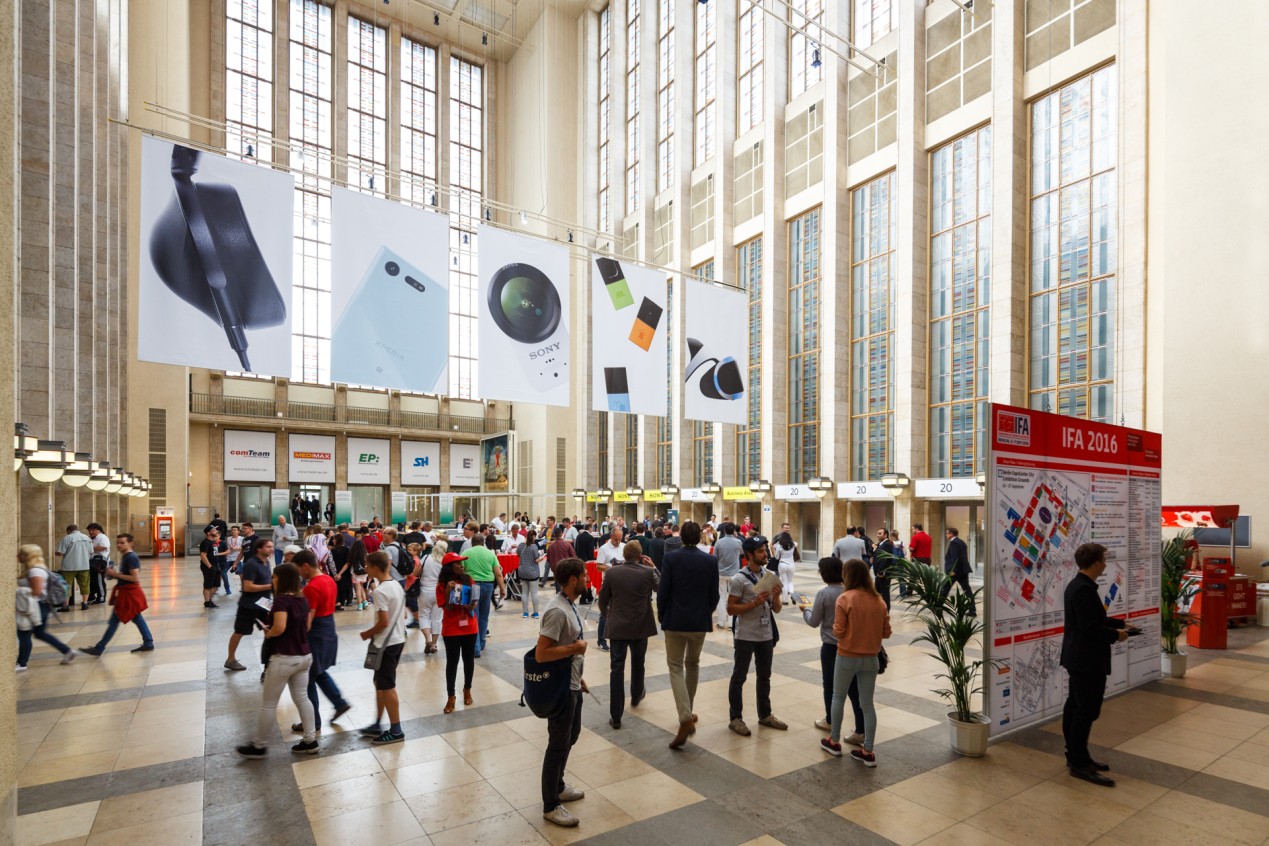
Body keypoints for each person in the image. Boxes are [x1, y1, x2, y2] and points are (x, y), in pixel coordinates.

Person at [1061, 543, 1132, 787]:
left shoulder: (1081, 586)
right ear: (1096, 563)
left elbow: (1094, 618)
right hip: (1085, 659)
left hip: (1080, 658)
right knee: (1085, 710)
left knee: (1076, 707)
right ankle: (1079, 764)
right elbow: (1089, 627)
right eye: (1104, 559)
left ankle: (1077, 756)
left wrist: (1121, 624)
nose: (1106, 564)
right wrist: (1116, 635)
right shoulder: (1082, 589)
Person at [237, 562, 319, 758]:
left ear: (281, 579)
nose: (272, 580)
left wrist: (269, 633)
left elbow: (280, 627)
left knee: (269, 703)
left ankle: (259, 745)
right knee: (302, 697)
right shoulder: (302, 598)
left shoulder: (282, 601)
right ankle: (310, 740)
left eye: (274, 577)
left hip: (284, 656)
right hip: (304, 655)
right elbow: (306, 626)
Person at [821, 558, 891, 765]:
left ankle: (834, 741)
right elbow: (886, 633)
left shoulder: (845, 598)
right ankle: (868, 751)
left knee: (838, 696)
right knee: (867, 705)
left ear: (848, 576)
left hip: (847, 656)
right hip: (871, 659)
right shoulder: (879, 600)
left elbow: (838, 632)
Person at [536, 558, 590, 828]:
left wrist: (579, 676)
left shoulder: (570, 604)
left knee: (571, 736)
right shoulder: (557, 611)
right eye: (584, 576)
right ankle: (550, 804)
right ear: (572, 580)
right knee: (557, 744)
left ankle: (558, 785)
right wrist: (574, 649)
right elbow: (542, 653)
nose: (588, 580)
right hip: (560, 690)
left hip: (572, 682)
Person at [658, 522, 719, 749]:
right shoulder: (710, 560)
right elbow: (714, 595)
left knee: (675, 666)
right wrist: (705, 612)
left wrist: (662, 616)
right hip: (698, 622)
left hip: (675, 620)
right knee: (692, 664)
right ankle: (688, 711)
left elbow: (664, 591)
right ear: (700, 537)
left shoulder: (671, 559)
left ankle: (685, 717)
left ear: (682, 537)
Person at [727, 537, 787, 736]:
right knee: (739, 677)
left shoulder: (768, 576)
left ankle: (765, 714)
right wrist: (753, 603)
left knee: (764, 676)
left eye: (765, 550)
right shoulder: (739, 579)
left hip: (765, 634)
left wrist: (776, 597)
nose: (765, 554)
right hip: (745, 635)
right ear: (749, 555)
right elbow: (730, 609)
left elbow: (776, 610)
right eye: (761, 551)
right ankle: (736, 718)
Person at [801, 557, 863, 742]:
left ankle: (830, 721)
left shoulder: (824, 594)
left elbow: (814, 622)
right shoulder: (852, 592)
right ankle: (860, 729)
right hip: (851, 646)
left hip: (830, 647)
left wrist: (805, 610)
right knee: (854, 689)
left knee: (830, 686)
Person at [598, 540, 659, 729]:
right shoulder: (648, 573)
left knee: (616, 669)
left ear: (624, 555)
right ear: (641, 556)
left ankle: (616, 716)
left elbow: (603, 599)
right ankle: (636, 693)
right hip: (640, 625)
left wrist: (606, 614)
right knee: (638, 662)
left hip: (618, 626)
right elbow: (662, 588)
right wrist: (654, 567)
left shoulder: (612, 573)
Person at [292, 550, 350, 734]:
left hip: (316, 633)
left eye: (299, 570)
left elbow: (307, 621)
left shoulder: (312, 587)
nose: (299, 574)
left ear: (306, 566)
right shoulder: (328, 579)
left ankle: (312, 721)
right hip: (328, 628)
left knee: (308, 679)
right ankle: (339, 703)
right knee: (317, 672)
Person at [358, 551, 408, 744]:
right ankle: (377, 723)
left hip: (385, 643)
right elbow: (402, 615)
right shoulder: (396, 585)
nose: (365, 568)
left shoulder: (379, 591)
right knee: (380, 683)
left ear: (376, 568)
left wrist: (367, 633)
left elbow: (383, 622)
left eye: (367, 566)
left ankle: (396, 731)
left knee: (387, 687)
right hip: (397, 640)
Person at [79, 534, 154, 655]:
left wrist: (115, 575)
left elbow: (134, 577)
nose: (119, 545)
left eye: (122, 543)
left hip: (129, 594)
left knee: (115, 621)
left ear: (130, 543)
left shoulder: (131, 557)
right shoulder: (127, 556)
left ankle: (99, 648)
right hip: (126, 593)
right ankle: (148, 642)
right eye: (117, 543)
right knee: (136, 618)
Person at [15, 545, 76, 669]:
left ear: (27, 555)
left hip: (36, 606)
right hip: (39, 605)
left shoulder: (35, 571)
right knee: (39, 633)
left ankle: (22, 663)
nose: (17, 556)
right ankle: (67, 651)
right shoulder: (34, 569)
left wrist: (19, 592)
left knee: (24, 633)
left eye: (20, 553)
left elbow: (37, 591)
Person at [437, 552, 479, 713]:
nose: (462, 566)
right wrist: (448, 591)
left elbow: (474, 601)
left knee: (469, 660)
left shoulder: (469, 580)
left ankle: (467, 689)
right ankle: (451, 696)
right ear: (449, 567)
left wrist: (472, 606)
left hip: (470, 625)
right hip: (451, 628)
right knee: (452, 662)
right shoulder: (441, 585)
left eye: (462, 564)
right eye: (458, 564)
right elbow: (447, 607)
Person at [225, 538, 274, 671]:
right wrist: (271, 586)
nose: (271, 549)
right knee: (240, 632)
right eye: (268, 547)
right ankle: (230, 659)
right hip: (249, 605)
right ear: (259, 548)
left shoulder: (266, 562)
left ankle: (269, 664)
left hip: (264, 605)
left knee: (269, 631)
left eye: (272, 546)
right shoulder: (252, 564)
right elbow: (247, 587)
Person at [461, 534, 504, 658]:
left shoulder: (466, 553)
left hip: (473, 586)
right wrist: (502, 588)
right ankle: (482, 642)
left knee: (474, 615)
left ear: (472, 542)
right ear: (483, 542)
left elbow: (461, 571)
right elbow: (498, 573)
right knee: (484, 616)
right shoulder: (490, 554)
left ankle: (475, 648)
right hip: (488, 586)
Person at [593, 528, 625, 651]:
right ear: (611, 536)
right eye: (616, 539)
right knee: (605, 613)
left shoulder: (624, 546)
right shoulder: (604, 549)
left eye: (620, 539)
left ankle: (618, 636)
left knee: (620, 612)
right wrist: (612, 567)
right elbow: (598, 567)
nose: (618, 541)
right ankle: (601, 640)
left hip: (622, 585)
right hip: (609, 585)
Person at [55, 523, 93, 611]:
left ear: (69, 531)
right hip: (84, 566)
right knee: (85, 585)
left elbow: (60, 552)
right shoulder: (87, 538)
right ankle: (85, 604)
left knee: (66, 586)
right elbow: (91, 552)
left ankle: (66, 606)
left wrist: (56, 553)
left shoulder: (67, 538)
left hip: (69, 567)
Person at [714, 523, 743, 630]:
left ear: (724, 530)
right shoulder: (738, 542)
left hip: (721, 573)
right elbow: (741, 553)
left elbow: (715, 557)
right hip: (734, 574)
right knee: (733, 598)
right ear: (734, 531)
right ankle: (732, 624)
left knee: (721, 597)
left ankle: (721, 622)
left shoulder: (719, 542)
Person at [419, 540, 447, 653]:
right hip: (439, 592)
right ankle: (434, 644)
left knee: (424, 616)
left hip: (424, 591)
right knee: (437, 619)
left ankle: (427, 640)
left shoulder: (425, 558)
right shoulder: (445, 561)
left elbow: (416, 573)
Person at [941, 528, 975, 616]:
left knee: (945, 588)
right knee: (967, 590)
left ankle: (937, 605)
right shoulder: (962, 542)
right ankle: (972, 610)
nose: (946, 534)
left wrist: (952, 570)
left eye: (947, 533)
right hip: (963, 570)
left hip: (955, 571)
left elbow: (954, 558)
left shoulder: (954, 543)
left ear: (951, 534)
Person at [518, 530, 545, 618]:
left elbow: (519, 555)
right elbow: (536, 559)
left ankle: (525, 613)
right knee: (534, 593)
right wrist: (542, 557)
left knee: (524, 592)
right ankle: (536, 613)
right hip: (533, 572)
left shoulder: (520, 546)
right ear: (533, 536)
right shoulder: (534, 547)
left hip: (522, 571)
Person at [199, 526, 226, 609]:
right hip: (209, 566)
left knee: (216, 584)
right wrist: (210, 567)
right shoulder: (205, 542)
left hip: (215, 565)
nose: (216, 531)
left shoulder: (213, 542)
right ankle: (207, 602)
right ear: (208, 533)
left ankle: (209, 600)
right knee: (208, 585)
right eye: (213, 530)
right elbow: (203, 556)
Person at [86, 523, 111, 605]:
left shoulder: (102, 537)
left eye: (93, 530)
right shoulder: (91, 538)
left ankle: (101, 597)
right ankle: (92, 595)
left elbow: (103, 547)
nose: (91, 532)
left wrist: (90, 549)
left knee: (99, 580)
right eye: (89, 530)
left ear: (98, 530)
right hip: (92, 562)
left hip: (99, 562)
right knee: (92, 580)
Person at [772, 524, 799, 597]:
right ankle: (792, 595)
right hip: (791, 564)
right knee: (790, 581)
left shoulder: (779, 545)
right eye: (786, 528)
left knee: (784, 582)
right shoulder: (791, 542)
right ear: (782, 528)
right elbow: (771, 544)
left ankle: (785, 600)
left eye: (788, 528)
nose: (787, 529)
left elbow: (777, 557)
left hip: (782, 563)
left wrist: (776, 552)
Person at [873, 528, 895, 611]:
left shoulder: (886, 544)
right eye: (877, 533)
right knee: (877, 592)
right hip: (879, 573)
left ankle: (886, 611)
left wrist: (880, 571)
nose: (877, 535)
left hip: (883, 574)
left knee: (884, 593)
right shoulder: (881, 544)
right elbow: (879, 556)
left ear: (885, 535)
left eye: (879, 533)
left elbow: (885, 559)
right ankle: (879, 610)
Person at [348, 537, 370, 610]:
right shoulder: (365, 553)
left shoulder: (352, 554)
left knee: (357, 589)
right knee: (362, 587)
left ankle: (360, 605)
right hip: (364, 573)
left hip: (355, 573)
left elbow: (349, 563)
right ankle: (365, 602)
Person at [223, 525, 243, 596]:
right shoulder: (228, 539)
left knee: (241, 574)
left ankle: (243, 587)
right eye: (232, 530)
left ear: (238, 531)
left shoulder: (242, 539)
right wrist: (227, 553)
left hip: (237, 559)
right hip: (229, 558)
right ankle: (227, 588)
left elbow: (243, 548)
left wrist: (236, 548)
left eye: (234, 530)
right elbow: (227, 548)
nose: (233, 531)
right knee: (223, 573)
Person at [890, 530, 909, 598]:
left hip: (891, 562)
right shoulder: (901, 543)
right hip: (900, 562)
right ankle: (903, 593)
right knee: (901, 578)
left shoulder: (890, 543)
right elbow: (905, 553)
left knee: (888, 578)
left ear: (892, 535)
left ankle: (886, 591)